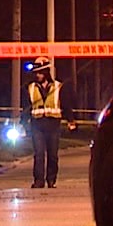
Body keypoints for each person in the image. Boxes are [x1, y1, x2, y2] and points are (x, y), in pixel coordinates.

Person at [20, 55, 77, 188]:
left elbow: (66, 105)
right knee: (39, 154)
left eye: (40, 72)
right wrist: (23, 123)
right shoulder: (29, 88)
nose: (38, 75)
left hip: (53, 124)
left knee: (53, 155)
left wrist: (71, 121)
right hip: (37, 125)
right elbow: (26, 107)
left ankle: (51, 180)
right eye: (36, 73)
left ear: (46, 72)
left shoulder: (58, 87)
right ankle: (38, 181)